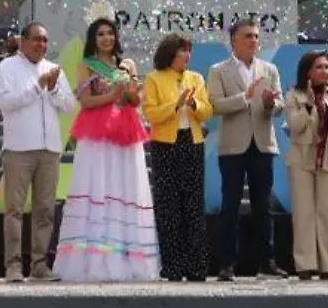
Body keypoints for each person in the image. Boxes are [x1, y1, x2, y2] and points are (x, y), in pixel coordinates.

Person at [54, 17, 159, 281]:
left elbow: (136, 100)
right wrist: (111, 97)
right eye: (100, 34)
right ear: (93, 38)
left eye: (110, 33)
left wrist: (131, 92)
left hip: (125, 127)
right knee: (98, 184)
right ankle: (94, 259)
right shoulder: (86, 66)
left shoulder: (127, 64)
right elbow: (86, 101)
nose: (106, 38)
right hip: (96, 128)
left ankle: (126, 256)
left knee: (124, 185)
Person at [0, 21, 76, 282]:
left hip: (49, 148)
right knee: (15, 210)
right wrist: (37, 86)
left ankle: (39, 264)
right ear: (23, 41)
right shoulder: (7, 66)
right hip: (19, 148)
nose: (42, 44)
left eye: (45, 40)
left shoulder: (54, 69)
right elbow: (6, 103)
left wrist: (52, 88)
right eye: (37, 39)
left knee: (45, 210)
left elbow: (70, 106)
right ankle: (13, 265)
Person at [208, 18, 284, 281]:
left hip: (262, 144)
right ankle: (227, 264)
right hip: (233, 146)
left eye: (256, 36)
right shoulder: (219, 70)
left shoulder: (269, 69)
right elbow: (215, 105)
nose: (254, 40)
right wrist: (246, 97)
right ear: (234, 41)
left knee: (263, 206)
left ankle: (267, 261)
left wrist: (269, 103)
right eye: (248, 36)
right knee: (230, 206)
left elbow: (280, 105)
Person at [140, 33, 214, 282]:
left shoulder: (196, 78)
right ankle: (172, 266)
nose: (187, 56)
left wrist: (194, 106)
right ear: (170, 53)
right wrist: (175, 104)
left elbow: (207, 111)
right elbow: (151, 113)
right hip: (165, 145)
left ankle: (196, 267)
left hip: (192, 143)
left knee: (193, 205)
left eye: (188, 51)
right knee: (168, 206)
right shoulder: (154, 78)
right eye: (182, 51)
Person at [283, 51, 328, 280]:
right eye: (319, 67)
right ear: (307, 71)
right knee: (304, 214)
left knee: (327, 214)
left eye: (327, 67)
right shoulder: (294, 94)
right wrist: (309, 106)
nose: (325, 71)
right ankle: (305, 264)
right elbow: (295, 126)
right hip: (302, 159)